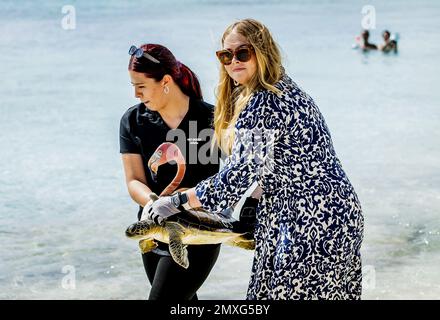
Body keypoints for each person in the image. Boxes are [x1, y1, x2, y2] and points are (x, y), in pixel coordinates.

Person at [144, 19, 364, 300]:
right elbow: (280, 159)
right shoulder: (289, 89)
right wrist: (253, 202)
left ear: (263, 51)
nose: (233, 61)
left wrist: (176, 202)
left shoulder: (262, 102)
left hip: (305, 224)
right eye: (226, 55)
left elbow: (236, 177)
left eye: (242, 53)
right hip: (341, 215)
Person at [119, 43, 224, 300]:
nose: (135, 94)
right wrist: (155, 202)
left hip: (199, 230)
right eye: (133, 86)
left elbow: (240, 173)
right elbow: (134, 181)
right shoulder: (133, 121)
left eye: (141, 86)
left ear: (165, 81)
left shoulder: (213, 119)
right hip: (152, 230)